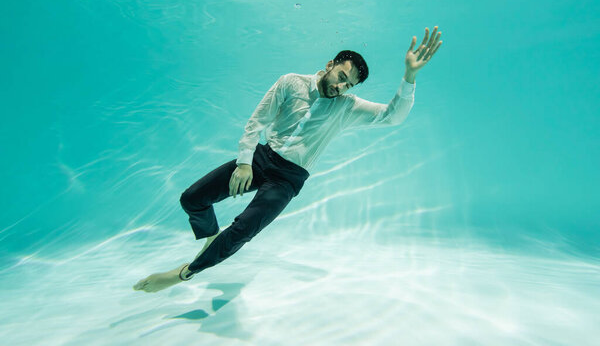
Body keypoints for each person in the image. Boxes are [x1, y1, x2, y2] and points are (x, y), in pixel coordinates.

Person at [133, 26, 442, 293]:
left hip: (288, 179)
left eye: (349, 85)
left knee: (243, 229)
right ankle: (211, 239)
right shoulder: (291, 82)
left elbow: (393, 116)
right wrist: (243, 162)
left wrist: (410, 76)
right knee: (192, 199)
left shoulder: (346, 108)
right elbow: (257, 121)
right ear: (330, 64)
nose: (341, 86)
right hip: (259, 159)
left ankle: (183, 273)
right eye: (341, 76)